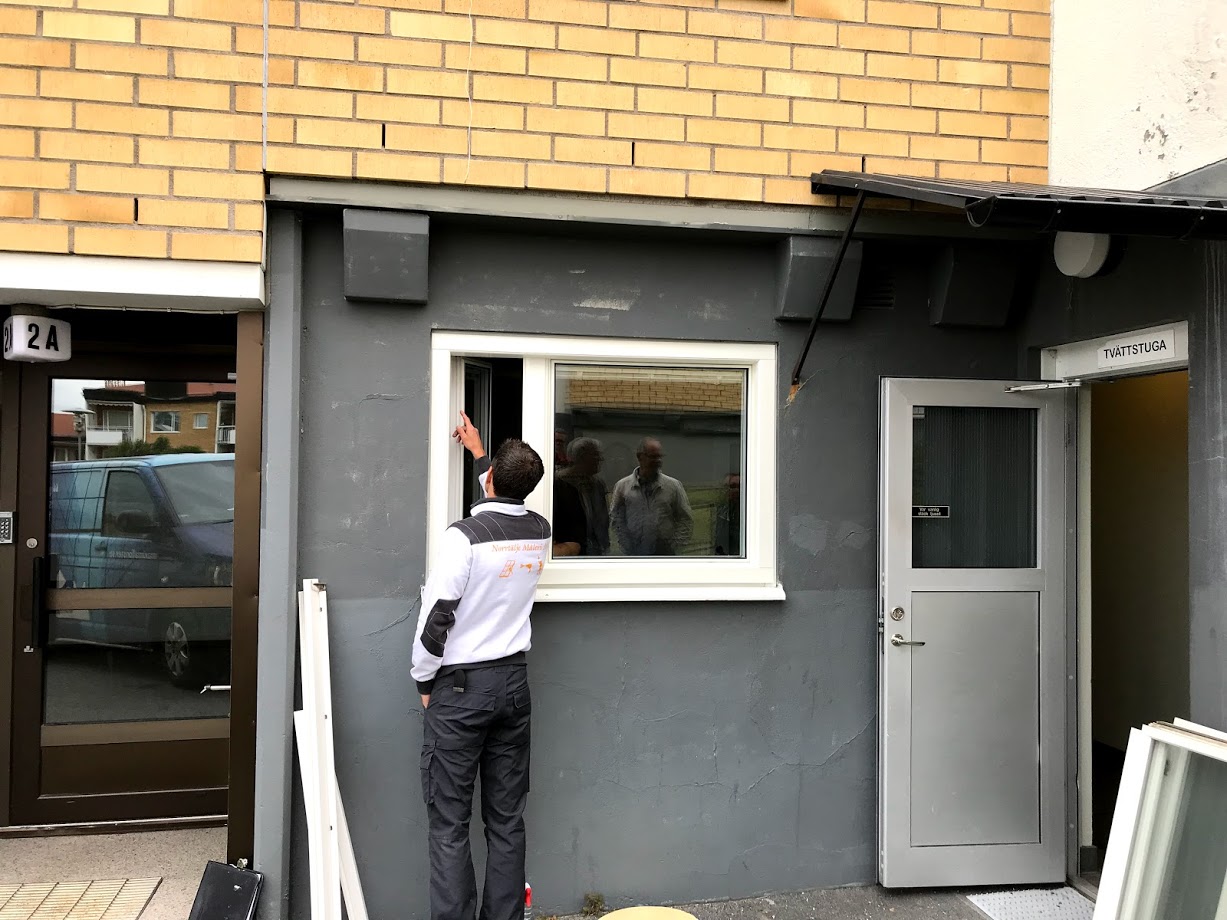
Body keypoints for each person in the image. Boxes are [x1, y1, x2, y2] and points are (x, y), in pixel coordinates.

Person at [412, 411, 548, 920]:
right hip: (513, 685)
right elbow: (503, 503)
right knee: (507, 821)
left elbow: (437, 617)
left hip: (461, 690)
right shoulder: (539, 530)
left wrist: (424, 678)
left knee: (450, 824)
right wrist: (479, 453)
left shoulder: (463, 537)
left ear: (490, 480)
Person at [609, 437, 694, 556]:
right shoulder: (623, 486)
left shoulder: (673, 486)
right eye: (653, 457)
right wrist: (626, 545)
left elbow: (685, 519)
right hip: (633, 554)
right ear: (640, 457)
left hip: (664, 555)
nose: (658, 460)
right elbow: (617, 518)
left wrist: (674, 547)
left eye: (660, 456)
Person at [557, 436, 610, 556]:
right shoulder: (559, 483)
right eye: (595, 455)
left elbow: (603, 518)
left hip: (596, 551)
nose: (600, 459)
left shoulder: (598, 484)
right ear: (581, 457)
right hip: (570, 552)